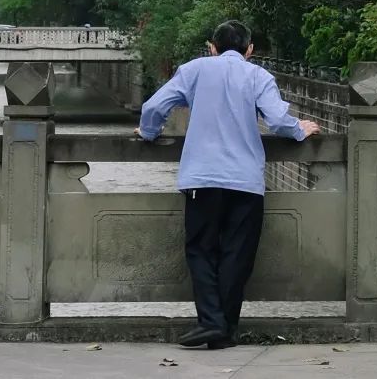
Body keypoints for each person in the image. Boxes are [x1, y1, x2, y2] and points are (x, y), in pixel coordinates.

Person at [137, 18, 320, 350]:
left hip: (202, 178)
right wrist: (300, 129)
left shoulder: (193, 70)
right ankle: (224, 329)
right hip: (245, 180)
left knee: (201, 249)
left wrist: (148, 133)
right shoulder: (258, 75)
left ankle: (212, 324)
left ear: (212, 47)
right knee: (238, 254)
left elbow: (153, 107)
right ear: (249, 50)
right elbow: (278, 120)